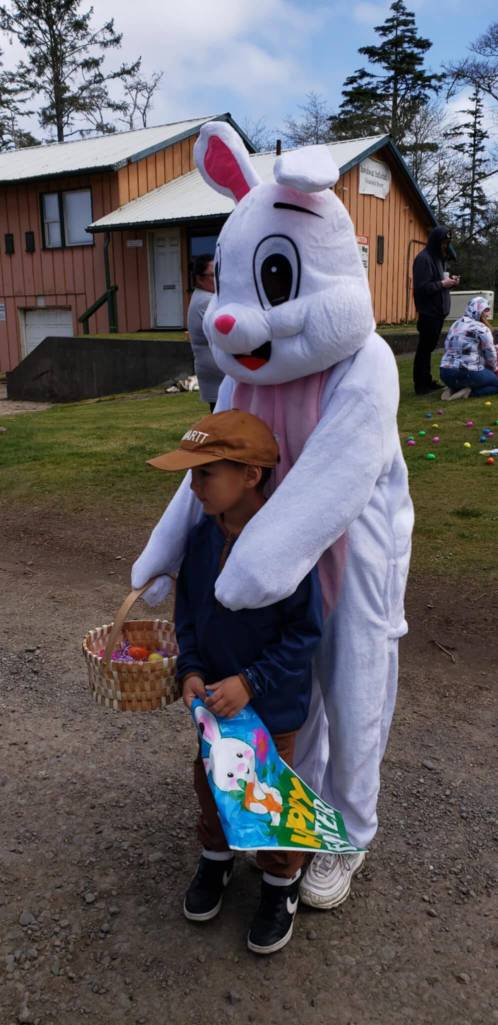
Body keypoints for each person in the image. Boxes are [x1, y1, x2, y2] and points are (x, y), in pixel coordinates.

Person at [132, 121, 414, 915]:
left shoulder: (364, 367)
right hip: (266, 554)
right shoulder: (240, 381)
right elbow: (202, 463)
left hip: (351, 550)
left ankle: (349, 831)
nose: (230, 318)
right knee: (289, 695)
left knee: (351, 679)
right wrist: (162, 558)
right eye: (232, 286)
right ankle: (289, 817)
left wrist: (246, 568)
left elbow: (336, 476)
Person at [146, 409, 323, 955]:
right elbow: (189, 616)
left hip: (271, 707)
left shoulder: (286, 546)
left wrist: (250, 682)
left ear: (249, 475)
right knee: (213, 788)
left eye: (205, 475)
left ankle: (279, 885)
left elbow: (304, 633)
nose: (194, 487)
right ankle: (216, 861)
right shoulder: (202, 539)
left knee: (266, 800)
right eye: (192, 476)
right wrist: (191, 669)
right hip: (212, 710)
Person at [412, 226, 460, 395]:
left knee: (429, 348)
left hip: (439, 312)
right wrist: (442, 284)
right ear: (436, 241)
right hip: (428, 312)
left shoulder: (440, 259)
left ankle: (427, 380)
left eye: (447, 243)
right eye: (443, 242)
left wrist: (450, 282)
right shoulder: (423, 259)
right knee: (424, 349)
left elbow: (439, 284)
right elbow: (421, 288)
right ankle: (420, 384)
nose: (445, 246)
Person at [440, 296, 498, 399]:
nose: (488, 314)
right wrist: (494, 369)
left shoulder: (456, 324)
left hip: (445, 373)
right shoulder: (481, 328)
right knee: (495, 383)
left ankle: (453, 388)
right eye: (485, 310)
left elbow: (447, 346)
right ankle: (468, 393)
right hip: (466, 373)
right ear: (477, 310)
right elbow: (490, 355)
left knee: (475, 375)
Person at [187, 254, 225, 411]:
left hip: (211, 367)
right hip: (216, 369)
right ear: (199, 278)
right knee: (224, 419)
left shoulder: (201, 297)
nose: (218, 278)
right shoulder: (206, 301)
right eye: (212, 275)